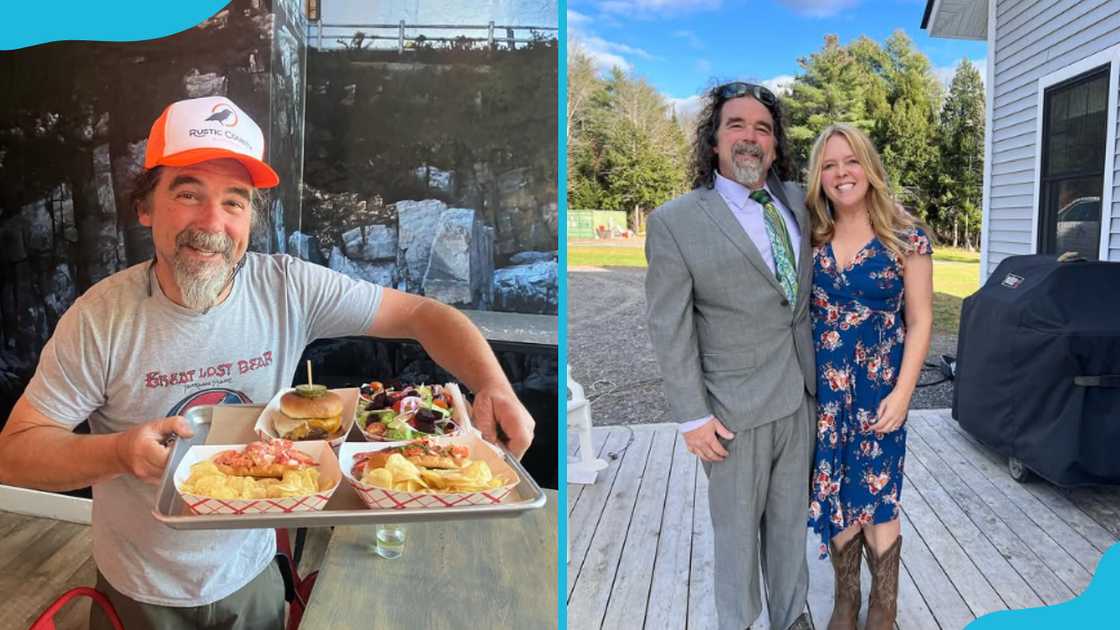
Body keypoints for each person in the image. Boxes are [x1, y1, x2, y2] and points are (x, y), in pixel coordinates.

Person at [0, 96, 535, 630]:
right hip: (141, 587)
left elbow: (424, 314)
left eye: (235, 201)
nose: (213, 222)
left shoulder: (287, 287)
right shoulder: (99, 319)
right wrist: (119, 452)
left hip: (251, 573)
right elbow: (15, 454)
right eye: (188, 193)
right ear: (145, 208)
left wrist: (495, 387)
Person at [645, 82, 815, 630]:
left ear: (775, 143)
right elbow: (669, 326)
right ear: (714, 141)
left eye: (763, 128)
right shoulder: (676, 221)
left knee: (790, 527)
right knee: (738, 535)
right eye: (736, 125)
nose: (750, 137)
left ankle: (790, 618)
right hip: (731, 412)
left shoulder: (796, 201)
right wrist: (692, 416)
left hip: (800, 399)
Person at [803, 124, 933, 630]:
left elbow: (920, 320)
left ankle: (884, 606)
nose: (841, 173)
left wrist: (903, 394)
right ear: (820, 177)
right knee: (834, 493)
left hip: (881, 390)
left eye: (850, 161)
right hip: (826, 392)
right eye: (830, 165)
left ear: (869, 167)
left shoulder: (906, 236)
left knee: (878, 496)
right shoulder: (811, 237)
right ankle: (844, 601)